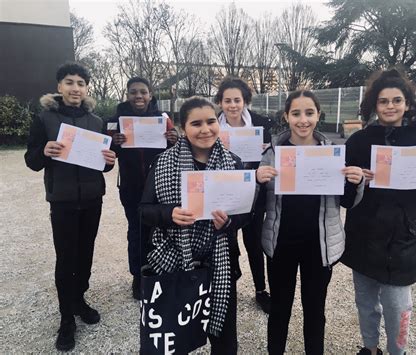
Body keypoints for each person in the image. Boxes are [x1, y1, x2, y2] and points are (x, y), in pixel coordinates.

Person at [341, 68, 416, 355]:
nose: (390, 106)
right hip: (363, 234)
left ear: (407, 104)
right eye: (383, 101)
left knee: (398, 307)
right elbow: (343, 198)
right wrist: (353, 180)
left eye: (396, 100)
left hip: (402, 238)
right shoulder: (358, 141)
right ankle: (370, 348)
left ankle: (396, 351)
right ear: (374, 105)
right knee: (365, 302)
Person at [256, 90, 364, 355]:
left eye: (309, 113)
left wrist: (357, 181)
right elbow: (257, 206)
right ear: (286, 116)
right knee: (280, 309)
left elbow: (347, 202)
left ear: (318, 115)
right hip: (281, 243)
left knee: (315, 310)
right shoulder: (273, 154)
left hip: (319, 246)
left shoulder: (332, 154)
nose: (302, 120)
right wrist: (257, 181)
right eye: (296, 113)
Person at [140, 97, 249, 354]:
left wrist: (230, 221)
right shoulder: (163, 163)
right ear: (182, 127)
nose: (205, 129)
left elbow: (247, 214)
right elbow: (144, 210)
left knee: (223, 336)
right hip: (174, 259)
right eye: (196, 123)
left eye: (211, 121)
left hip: (220, 261)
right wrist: (170, 214)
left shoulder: (233, 163)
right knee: (175, 332)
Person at [24, 62, 116, 351]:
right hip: (62, 200)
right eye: (69, 82)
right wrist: (44, 152)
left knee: (85, 253)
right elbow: (32, 160)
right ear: (59, 86)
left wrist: (109, 161)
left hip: (91, 199)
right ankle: (66, 319)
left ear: (87, 88)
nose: (75, 88)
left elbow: (102, 165)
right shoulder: (44, 119)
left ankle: (79, 299)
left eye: (80, 83)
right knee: (66, 258)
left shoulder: (96, 122)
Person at [107, 77, 178, 300]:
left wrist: (174, 139)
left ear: (150, 94)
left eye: (143, 92)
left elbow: (175, 148)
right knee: (136, 231)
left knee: (160, 229)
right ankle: (138, 276)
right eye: (133, 92)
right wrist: (113, 143)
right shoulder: (114, 120)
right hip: (130, 186)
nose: (139, 96)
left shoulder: (163, 118)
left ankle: (159, 271)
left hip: (159, 186)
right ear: (127, 94)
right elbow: (105, 154)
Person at [214, 76, 274, 313]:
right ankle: (228, 287)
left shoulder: (260, 124)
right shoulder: (214, 125)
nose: (232, 105)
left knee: (255, 242)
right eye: (227, 100)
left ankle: (261, 289)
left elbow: (271, 155)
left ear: (245, 101)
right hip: (224, 191)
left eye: (237, 100)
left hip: (254, 191)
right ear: (220, 102)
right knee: (226, 241)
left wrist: (266, 150)